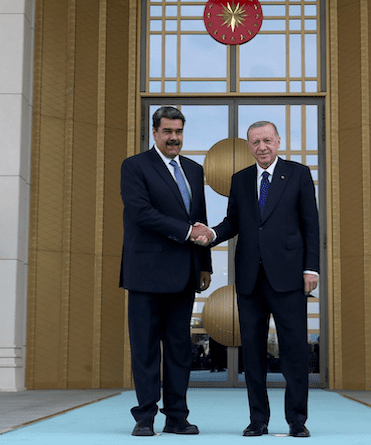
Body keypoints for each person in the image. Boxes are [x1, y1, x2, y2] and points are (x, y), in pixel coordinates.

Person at [202, 121, 320, 438]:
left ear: (278, 141)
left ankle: (297, 420)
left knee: (294, 351)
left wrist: (312, 268)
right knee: (252, 353)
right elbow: (233, 222)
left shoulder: (298, 174)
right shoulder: (240, 180)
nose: (262, 147)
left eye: (267, 140)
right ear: (249, 146)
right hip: (250, 279)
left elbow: (311, 225)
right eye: (255, 142)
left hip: (289, 277)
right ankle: (258, 420)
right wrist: (212, 233)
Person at [120, 106, 214, 436]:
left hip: (184, 274)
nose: (174, 138)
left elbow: (199, 218)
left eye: (179, 132)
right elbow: (141, 213)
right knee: (145, 350)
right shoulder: (134, 167)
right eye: (168, 132)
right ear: (155, 133)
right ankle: (145, 416)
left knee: (178, 350)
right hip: (145, 273)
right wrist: (187, 232)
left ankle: (177, 416)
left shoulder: (193, 168)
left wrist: (205, 264)